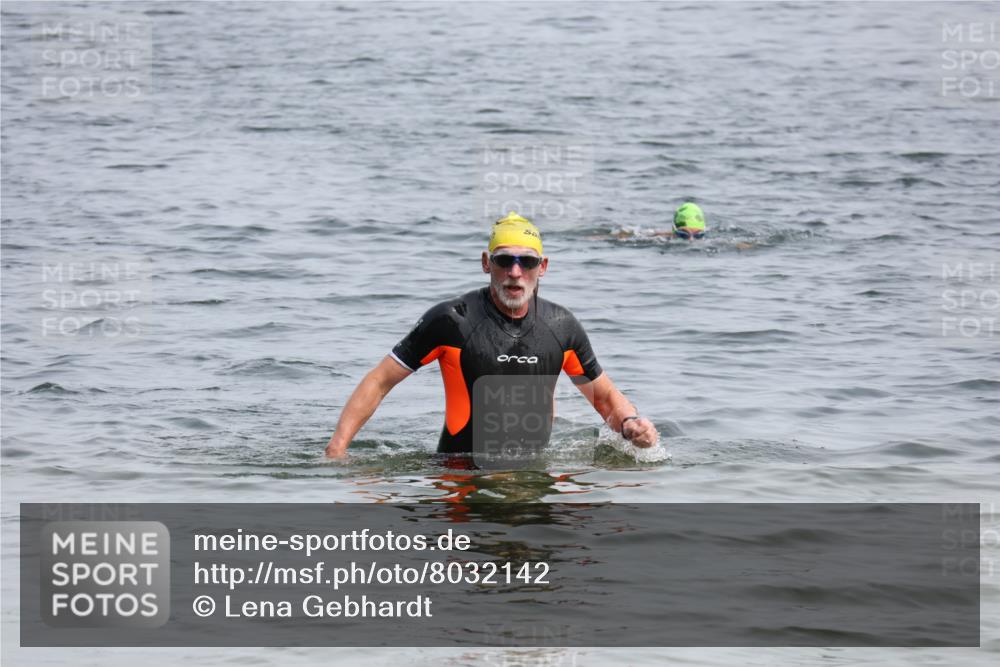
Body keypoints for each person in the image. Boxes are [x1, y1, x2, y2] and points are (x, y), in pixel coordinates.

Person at [325, 211, 659, 458]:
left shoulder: (561, 327)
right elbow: (380, 380)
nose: (515, 272)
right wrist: (337, 449)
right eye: (504, 260)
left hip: (531, 476)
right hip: (460, 476)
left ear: (542, 267)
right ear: (487, 263)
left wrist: (631, 423)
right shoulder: (452, 321)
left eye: (526, 262)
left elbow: (603, 397)